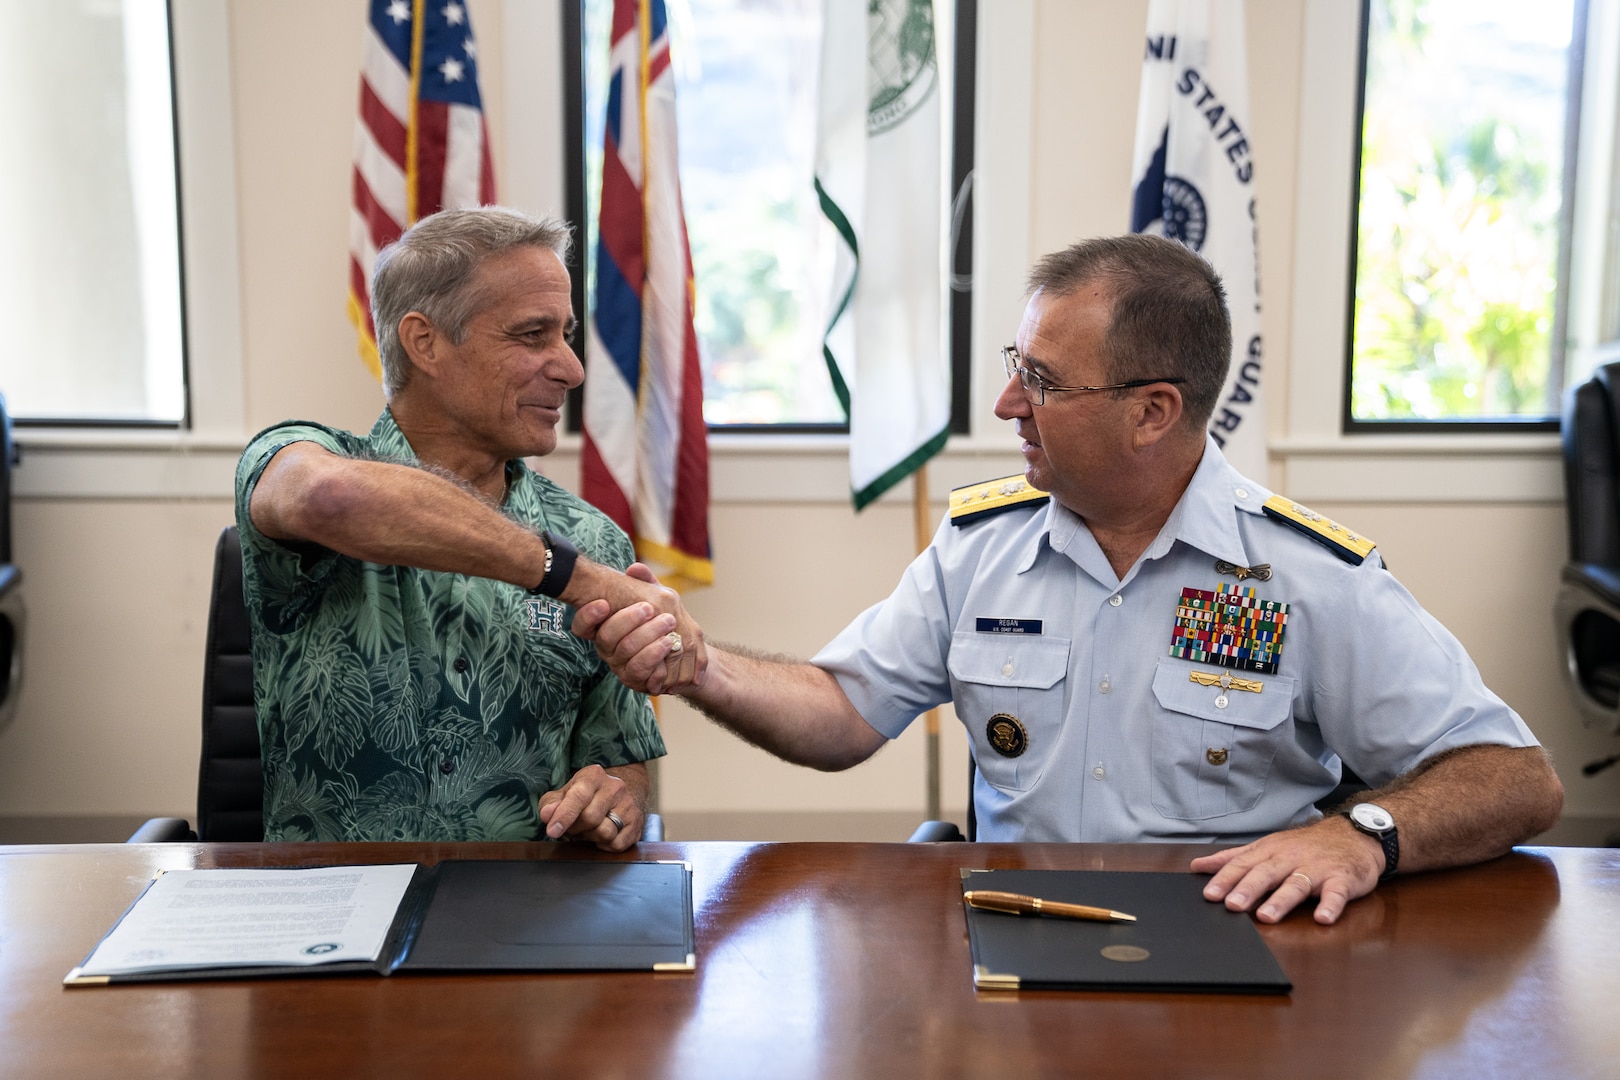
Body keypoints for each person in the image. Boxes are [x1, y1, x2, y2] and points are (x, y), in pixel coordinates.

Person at [576, 234, 1563, 922]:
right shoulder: (983, 546)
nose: (1008, 401)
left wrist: (1365, 838)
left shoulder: (1306, 575)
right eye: (1020, 364)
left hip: (1237, 931)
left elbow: (1514, 778)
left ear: (1152, 412)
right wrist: (697, 663)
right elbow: (841, 710)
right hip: (1020, 926)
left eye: (1043, 380)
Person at [235, 206, 704, 848]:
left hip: (521, 917)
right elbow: (332, 498)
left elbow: (621, 757)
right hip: (333, 915)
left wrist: (615, 798)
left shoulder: (595, 538)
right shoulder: (302, 459)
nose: (572, 368)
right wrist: (565, 575)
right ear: (424, 342)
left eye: (565, 335)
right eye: (533, 335)